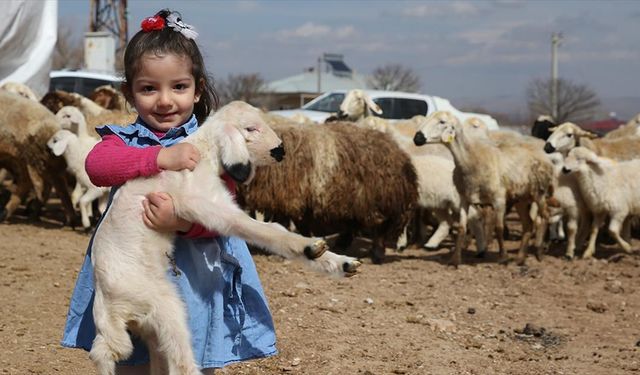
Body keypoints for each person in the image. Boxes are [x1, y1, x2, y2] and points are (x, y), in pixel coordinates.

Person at [61, 9, 277, 374]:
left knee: (188, 351)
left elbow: (224, 212)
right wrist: (159, 157)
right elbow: (98, 167)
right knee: (133, 361)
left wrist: (182, 222)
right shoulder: (123, 140)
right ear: (129, 93)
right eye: (149, 88)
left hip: (194, 277)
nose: (164, 101)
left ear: (197, 91)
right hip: (132, 270)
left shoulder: (210, 147)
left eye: (178, 87)